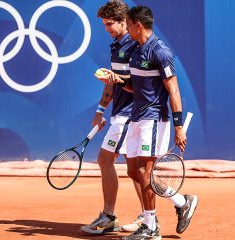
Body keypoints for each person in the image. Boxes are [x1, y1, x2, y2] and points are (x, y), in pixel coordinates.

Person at [97, 5, 199, 240]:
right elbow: (134, 85)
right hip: (136, 118)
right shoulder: (136, 51)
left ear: (137, 26)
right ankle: (182, 201)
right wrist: (117, 80)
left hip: (153, 119)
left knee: (145, 171)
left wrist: (178, 126)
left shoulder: (160, 52)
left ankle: (151, 227)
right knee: (134, 171)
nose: (127, 32)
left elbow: (173, 90)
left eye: (129, 26)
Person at [80, 0, 145, 235]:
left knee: (105, 160)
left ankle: (109, 216)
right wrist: (100, 110)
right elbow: (112, 83)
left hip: (130, 114)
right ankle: (152, 213)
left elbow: (141, 85)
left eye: (110, 24)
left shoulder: (136, 47)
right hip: (120, 112)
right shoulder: (116, 46)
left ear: (124, 22)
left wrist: (117, 82)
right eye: (104, 24)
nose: (106, 28)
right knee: (135, 169)